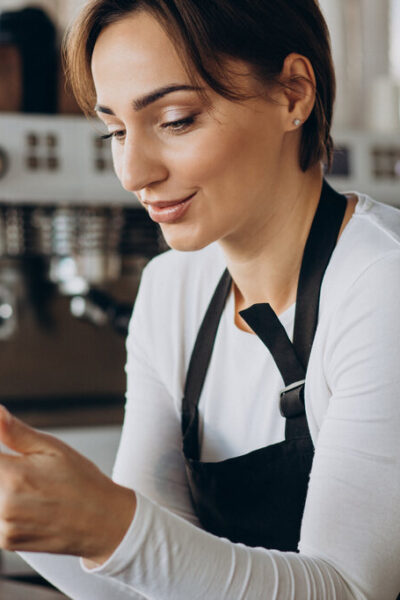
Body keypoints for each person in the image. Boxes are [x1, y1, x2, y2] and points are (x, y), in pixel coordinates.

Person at [0, 1, 399, 598]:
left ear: (293, 93)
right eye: (114, 130)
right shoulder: (172, 289)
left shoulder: (381, 282)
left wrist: (109, 525)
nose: (133, 171)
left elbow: (351, 588)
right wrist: (39, 511)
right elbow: (148, 586)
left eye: (177, 119)